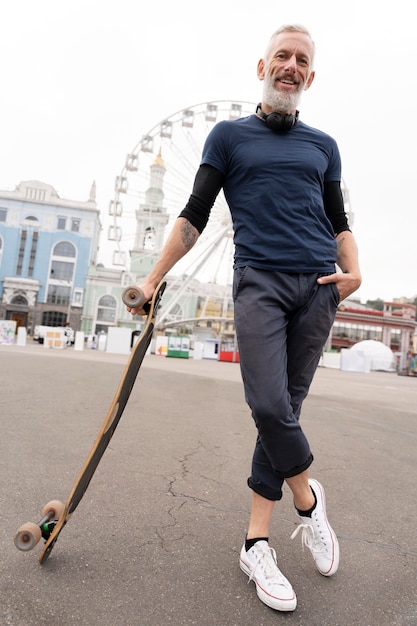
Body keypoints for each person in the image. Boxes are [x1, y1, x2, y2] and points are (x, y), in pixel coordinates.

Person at [127, 24, 362, 612]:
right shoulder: (228, 136)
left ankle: (256, 543)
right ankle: (309, 503)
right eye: (280, 55)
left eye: (300, 60)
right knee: (267, 404)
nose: (290, 65)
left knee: (283, 413)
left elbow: (339, 219)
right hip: (258, 281)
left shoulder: (323, 145)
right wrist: (152, 278)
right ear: (262, 67)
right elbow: (193, 216)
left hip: (318, 287)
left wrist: (353, 273)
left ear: (311, 76)